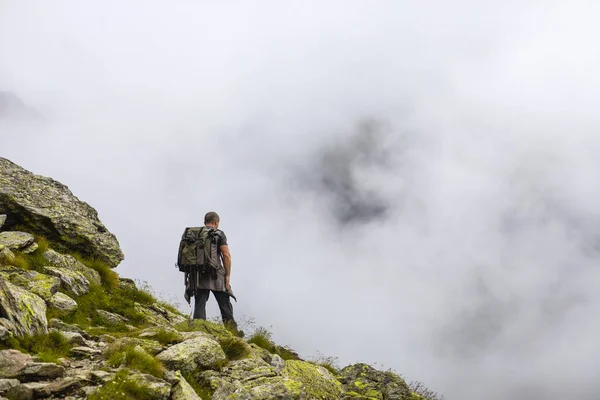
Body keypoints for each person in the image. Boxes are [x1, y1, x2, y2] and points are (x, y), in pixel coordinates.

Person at [191, 211, 243, 336]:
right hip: (216, 274)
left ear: (205, 222)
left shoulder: (194, 234)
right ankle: (233, 332)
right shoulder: (219, 234)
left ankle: (198, 331)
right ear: (216, 222)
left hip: (198, 274)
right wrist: (227, 275)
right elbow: (226, 255)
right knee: (224, 302)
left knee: (200, 303)